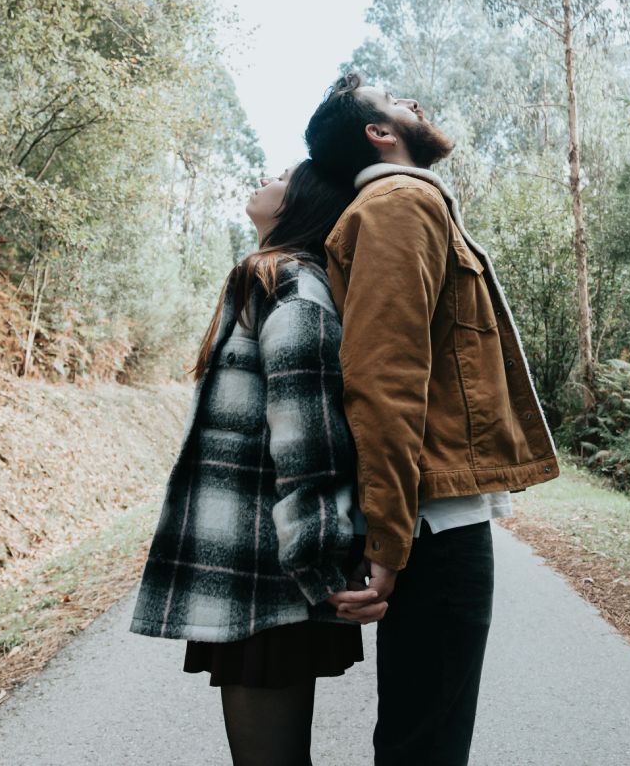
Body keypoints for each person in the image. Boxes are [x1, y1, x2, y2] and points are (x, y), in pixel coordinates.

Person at [305, 72, 561, 766]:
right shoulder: (398, 205)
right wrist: (388, 542)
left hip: (431, 515)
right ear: (380, 134)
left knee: (423, 736)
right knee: (428, 745)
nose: (414, 104)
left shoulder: (406, 205)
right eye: (395, 102)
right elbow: (385, 378)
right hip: (433, 524)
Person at [130, 159, 380, 766]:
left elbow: (309, 446)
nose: (269, 172)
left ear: (304, 203)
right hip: (262, 575)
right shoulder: (272, 282)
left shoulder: (290, 287)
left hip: (271, 577)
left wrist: (319, 570)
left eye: (287, 173)